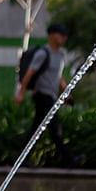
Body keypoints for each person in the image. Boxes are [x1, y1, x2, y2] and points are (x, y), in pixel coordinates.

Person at [15, 22, 74, 165]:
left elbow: (58, 76)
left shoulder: (60, 55)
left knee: (37, 130)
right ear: (52, 36)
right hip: (42, 95)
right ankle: (68, 160)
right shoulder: (43, 53)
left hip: (51, 96)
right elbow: (29, 74)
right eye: (61, 34)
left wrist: (67, 93)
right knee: (54, 129)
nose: (64, 38)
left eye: (65, 35)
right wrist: (20, 93)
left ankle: (21, 160)